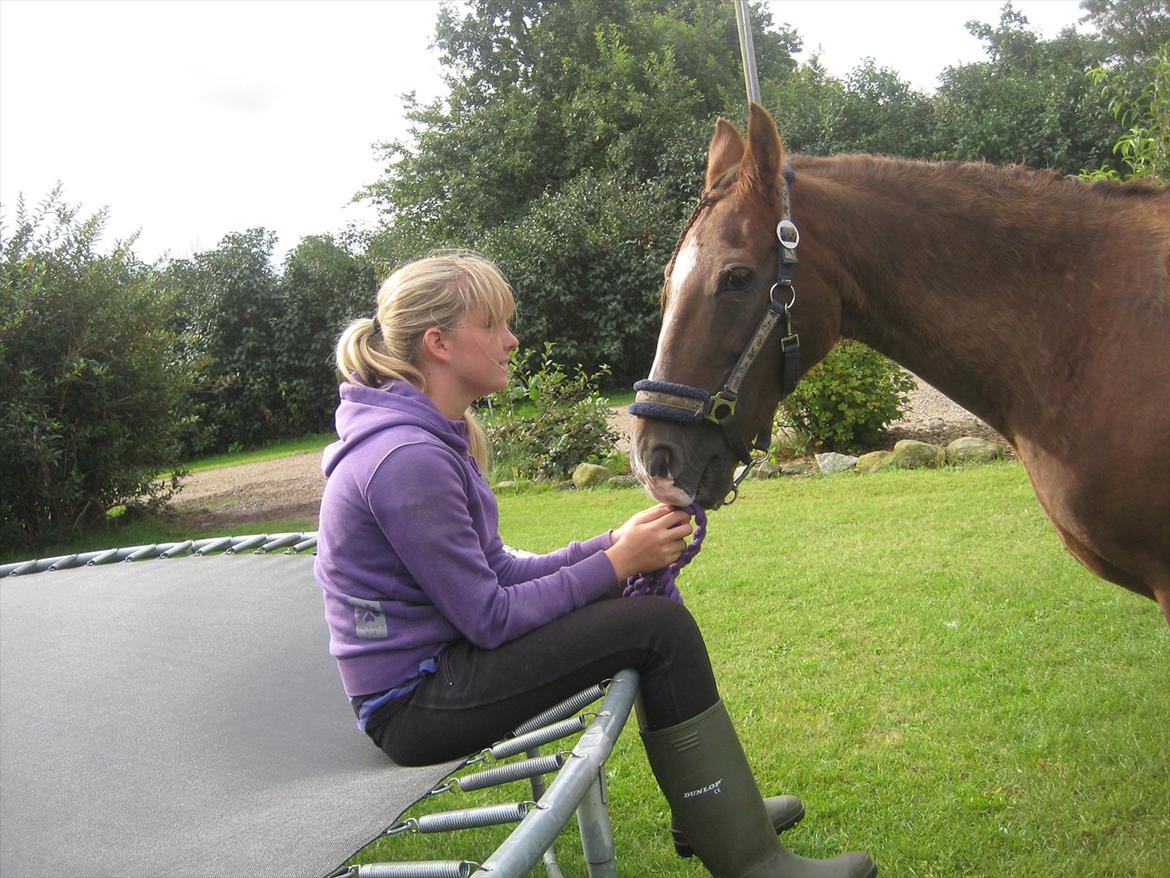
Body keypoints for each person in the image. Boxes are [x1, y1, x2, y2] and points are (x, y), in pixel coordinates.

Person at [314, 252, 875, 878]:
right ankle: (747, 858)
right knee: (656, 628)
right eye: (494, 323)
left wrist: (612, 542)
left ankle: (716, 814)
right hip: (417, 706)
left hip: (445, 674)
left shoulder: (431, 438)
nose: (511, 339)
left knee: (652, 617)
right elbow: (490, 617)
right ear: (439, 343)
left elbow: (495, 569)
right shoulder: (405, 459)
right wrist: (614, 564)